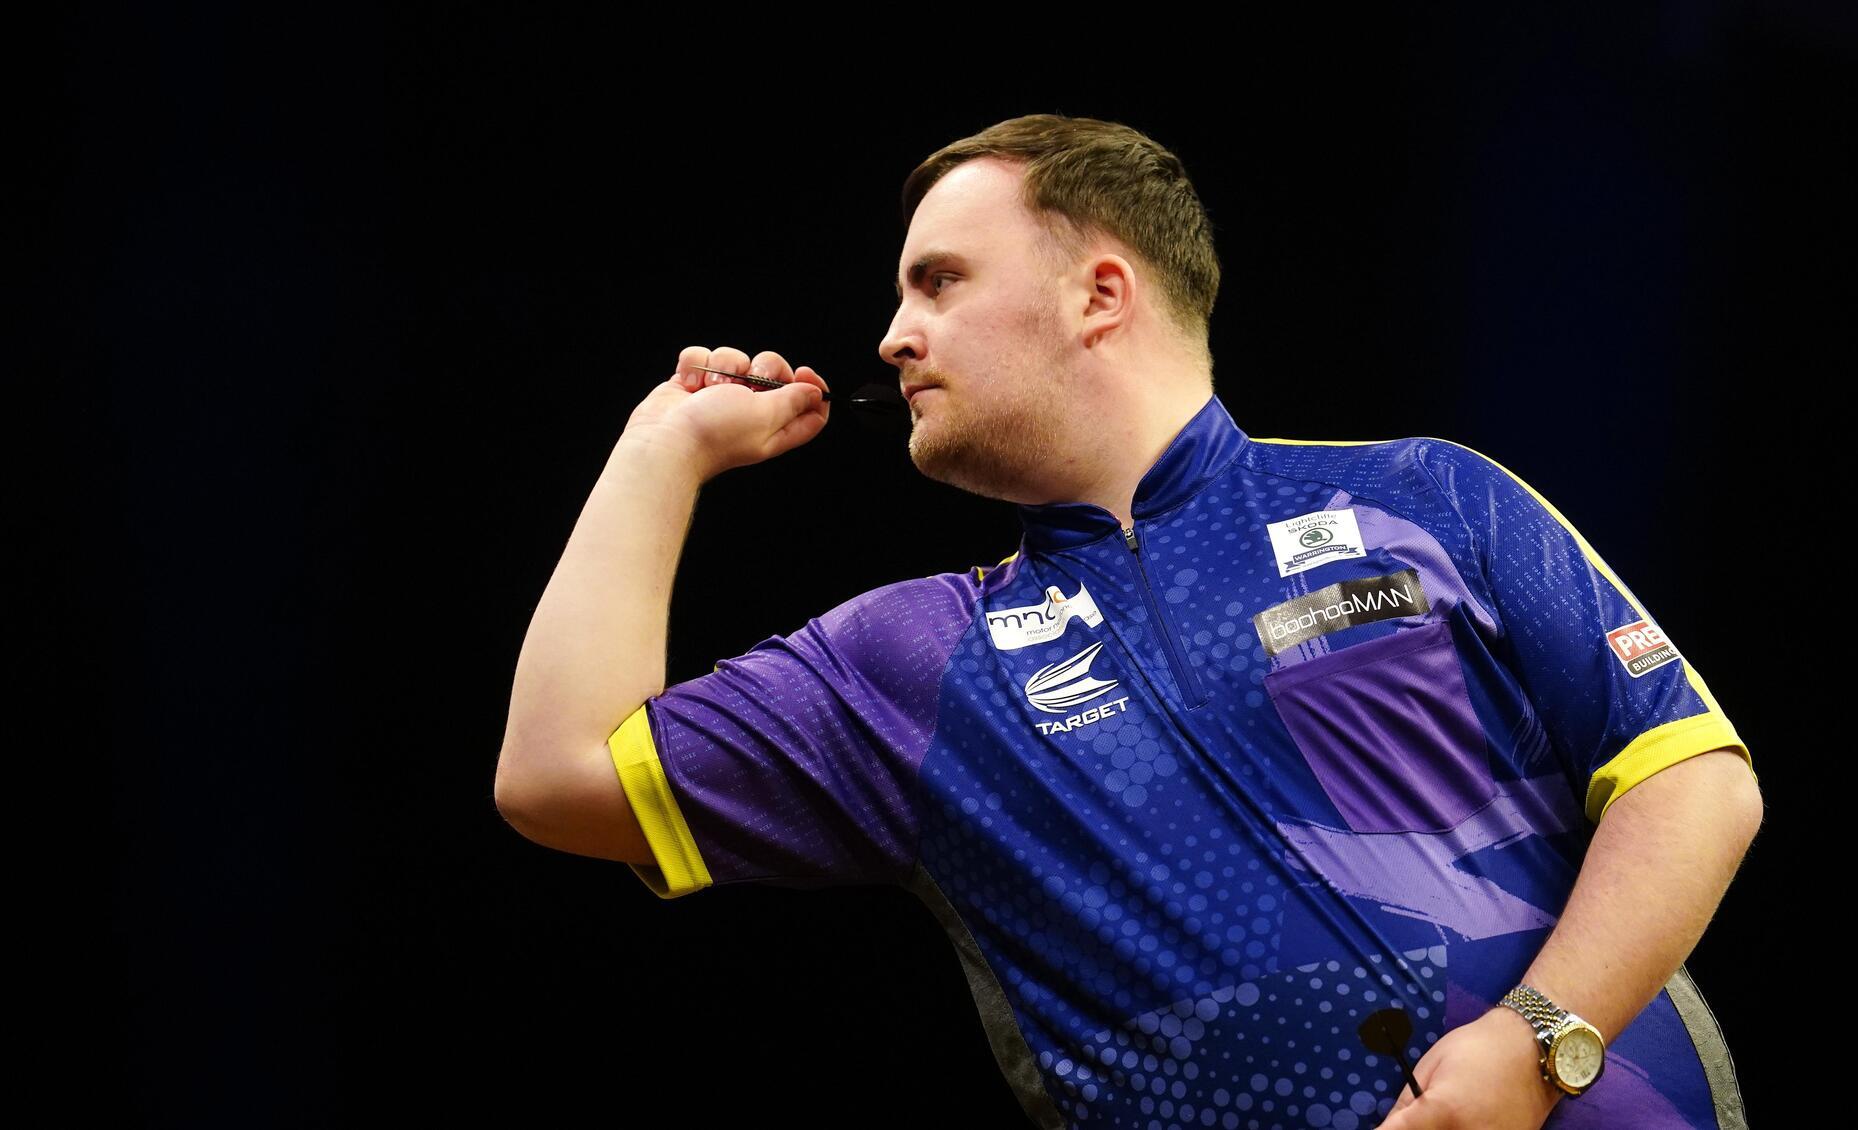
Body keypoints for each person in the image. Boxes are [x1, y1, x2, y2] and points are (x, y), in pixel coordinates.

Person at [493, 114, 1763, 1130]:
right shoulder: (912, 663)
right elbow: (556, 776)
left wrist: (1537, 1043)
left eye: (938, 282)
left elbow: (1692, 780)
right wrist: (657, 450)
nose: (891, 337)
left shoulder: (1427, 494)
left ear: (1098, 294)